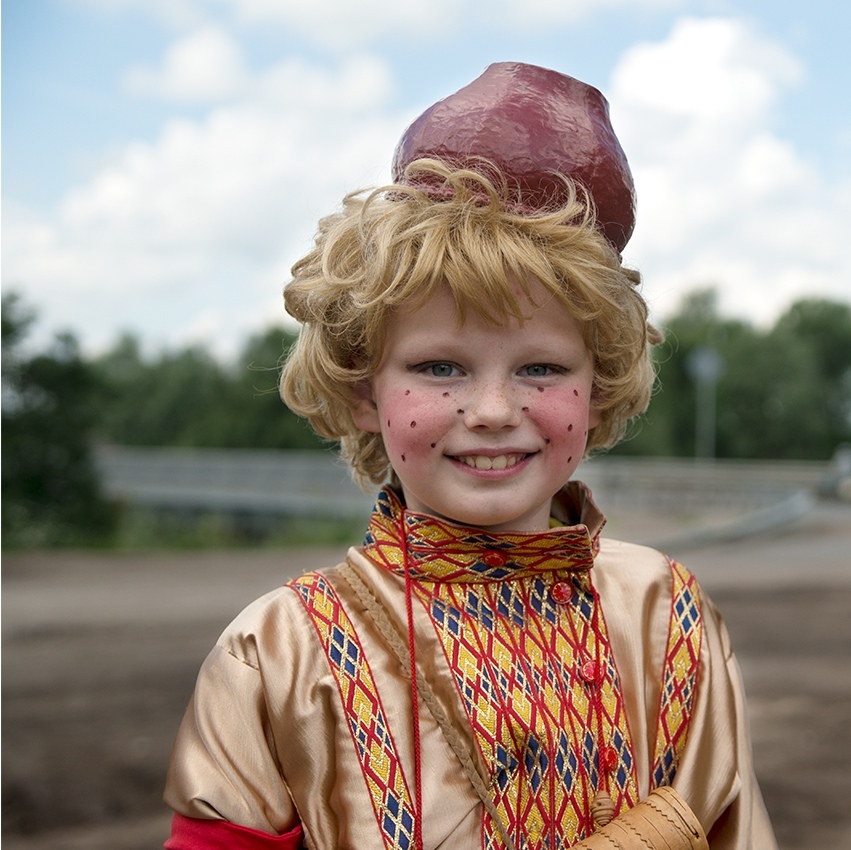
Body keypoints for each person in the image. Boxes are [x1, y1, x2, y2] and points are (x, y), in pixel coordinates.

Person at [163, 62, 778, 850]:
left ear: (596, 392)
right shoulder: (277, 653)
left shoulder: (666, 616)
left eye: (542, 369)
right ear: (362, 390)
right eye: (440, 368)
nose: (492, 412)